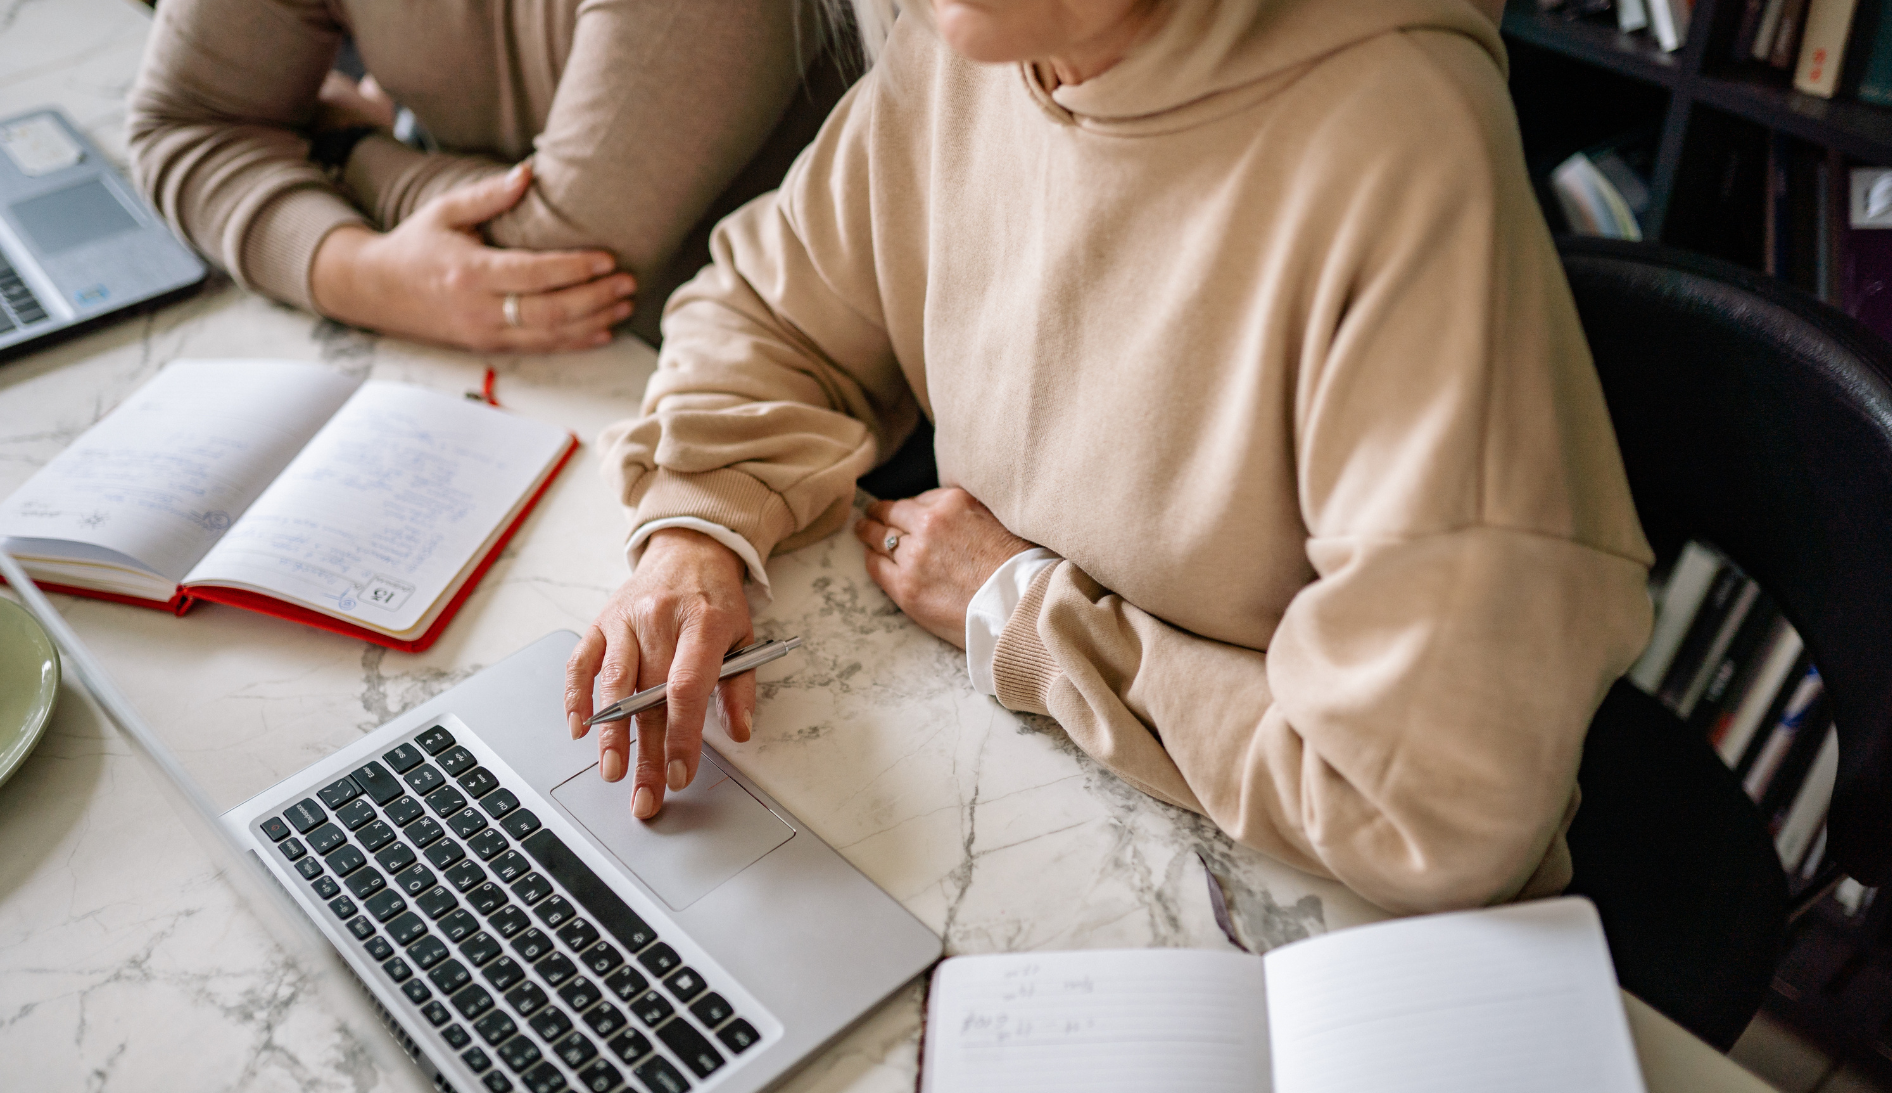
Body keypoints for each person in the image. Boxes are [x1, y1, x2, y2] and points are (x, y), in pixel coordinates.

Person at [564, 0, 1656, 916]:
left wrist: (1025, 612)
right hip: (1045, 801)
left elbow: (1433, 810)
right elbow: (768, 311)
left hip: (1309, 898)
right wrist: (693, 533)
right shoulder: (969, 39)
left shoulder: (1394, 143)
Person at [126, 0, 853, 351]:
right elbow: (182, 124)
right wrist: (365, 273)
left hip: (746, 392)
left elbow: (560, 263)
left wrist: (347, 147)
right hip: (526, 379)